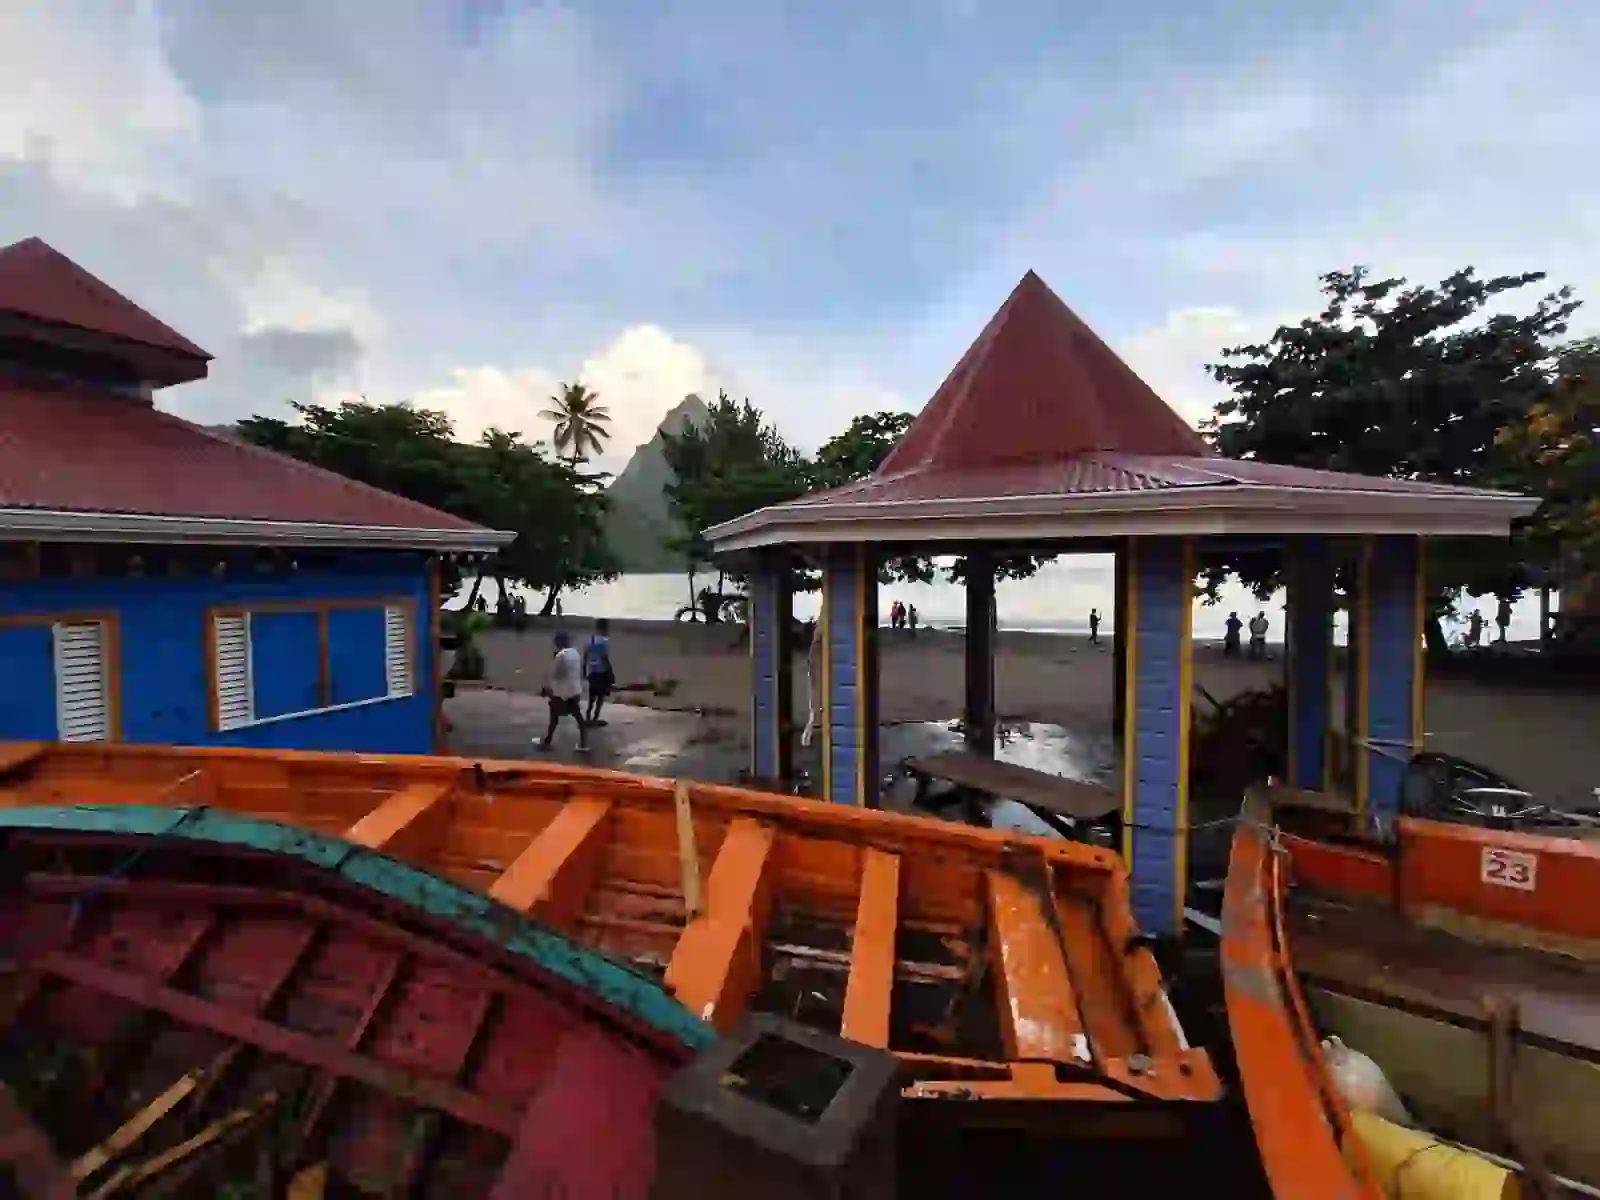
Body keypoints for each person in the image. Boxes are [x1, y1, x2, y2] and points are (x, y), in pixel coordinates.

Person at [537, 631, 589, 752]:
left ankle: (547, 740)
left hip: (563, 693)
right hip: (575, 691)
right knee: (578, 716)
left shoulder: (561, 656)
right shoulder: (575, 653)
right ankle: (583, 743)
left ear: (559, 642)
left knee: (553, 716)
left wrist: (546, 690)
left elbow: (556, 675)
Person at [584, 618, 615, 726]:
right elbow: (604, 658)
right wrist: (610, 671)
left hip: (592, 672)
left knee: (591, 697)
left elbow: (585, 656)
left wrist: (584, 671)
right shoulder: (604, 641)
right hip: (602, 672)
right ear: (604, 627)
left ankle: (588, 715)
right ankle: (595, 717)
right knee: (601, 696)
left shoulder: (590, 640)